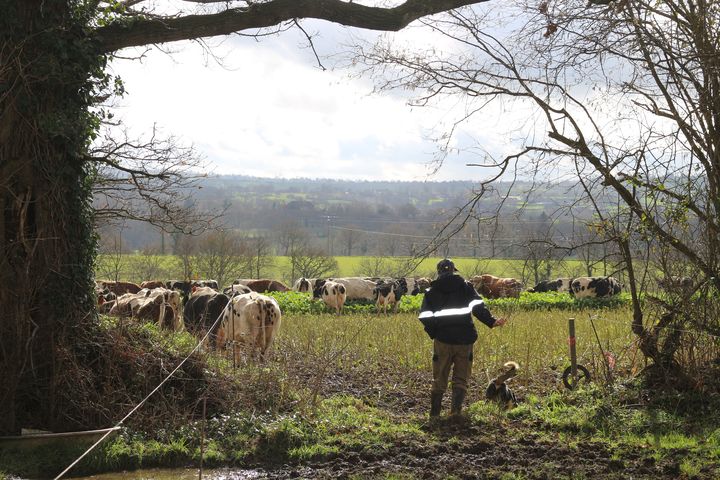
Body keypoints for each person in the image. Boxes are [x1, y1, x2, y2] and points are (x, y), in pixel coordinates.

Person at [418, 259, 507, 418]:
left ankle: (434, 415)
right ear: (453, 271)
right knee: (461, 379)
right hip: (465, 341)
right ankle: (455, 413)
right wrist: (492, 321)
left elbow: (424, 316)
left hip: (442, 341)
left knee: (439, 378)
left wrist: (435, 332)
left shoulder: (431, 292)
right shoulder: (466, 287)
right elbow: (479, 309)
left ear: (439, 272)